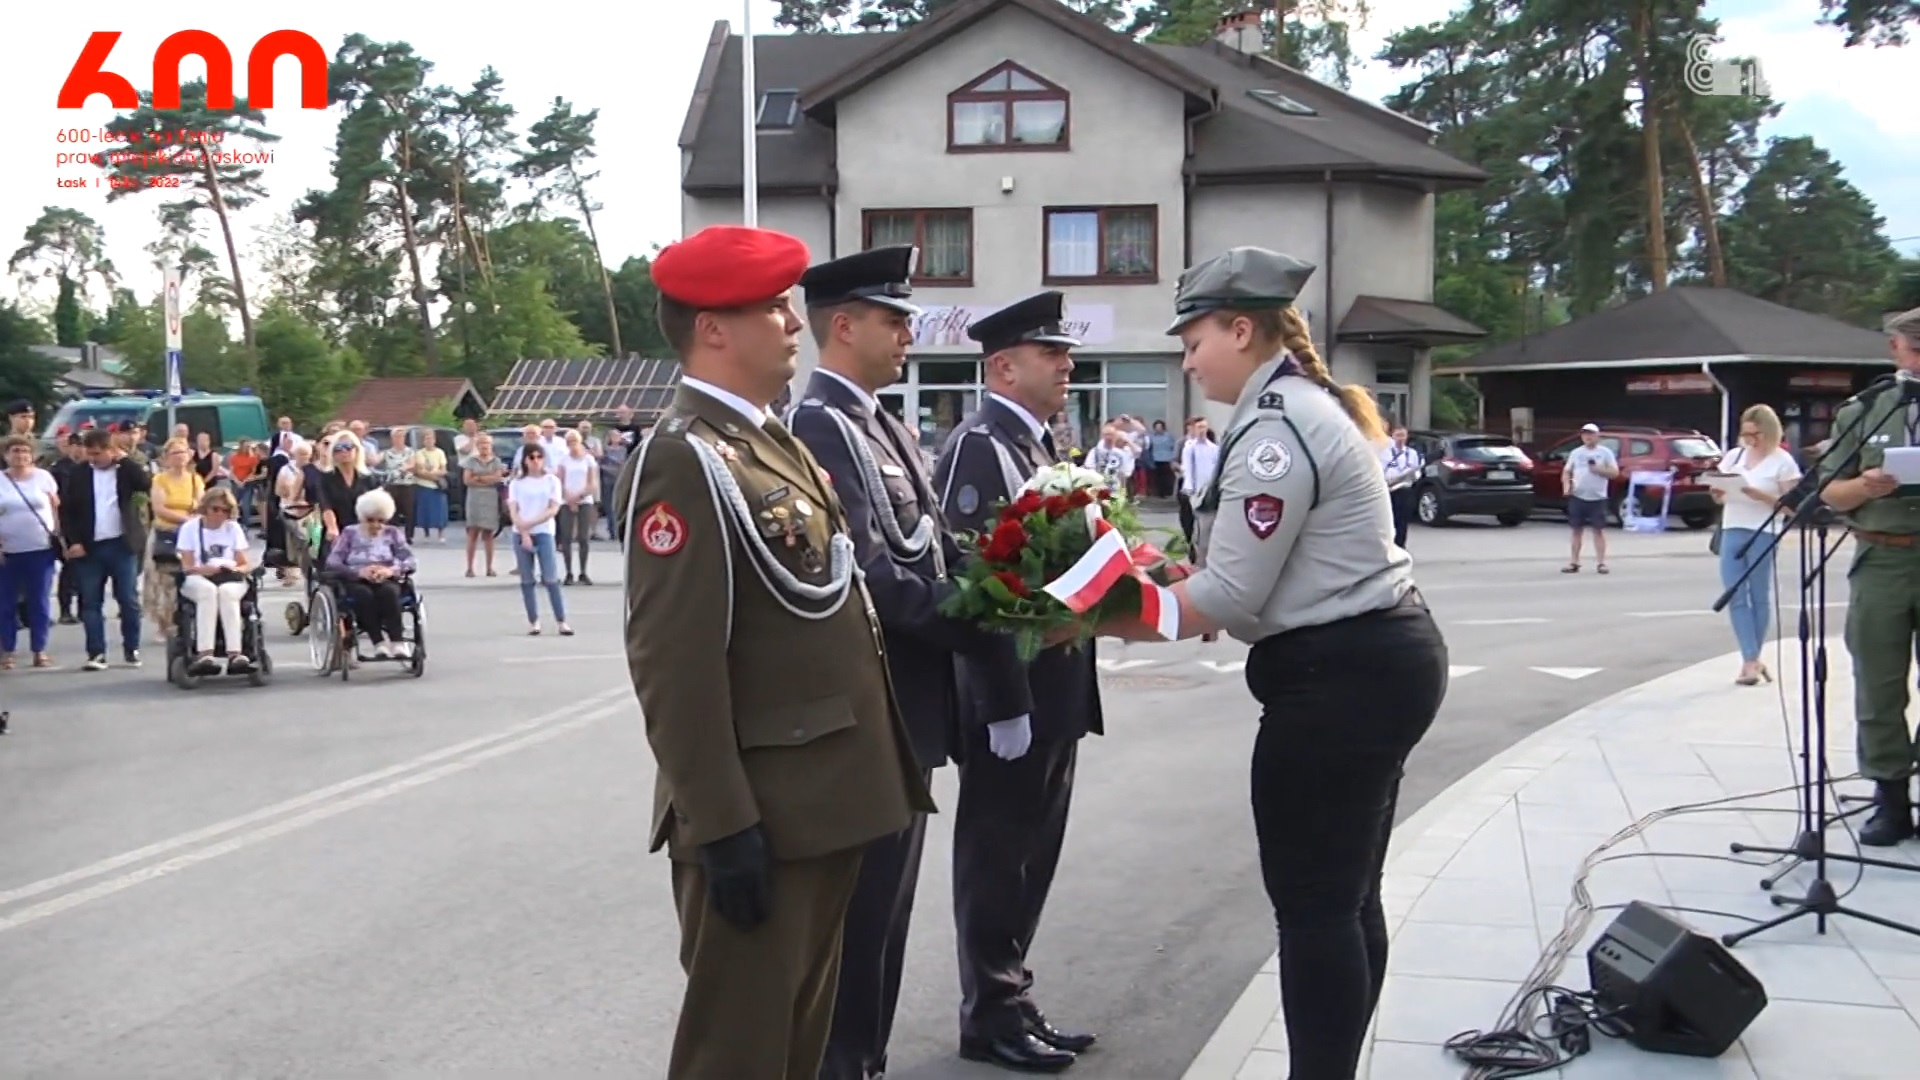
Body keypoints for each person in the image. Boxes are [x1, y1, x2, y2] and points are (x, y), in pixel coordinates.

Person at [1099, 247, 1448, 1080]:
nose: (1186, 361)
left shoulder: (1274, 430)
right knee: (1347, 896)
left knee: (1315, 906)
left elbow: (1234, 599)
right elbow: (1249, 571)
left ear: (1242, 328)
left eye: (1193, 342)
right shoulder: (1293, 407)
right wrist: (1162, 577)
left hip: (1340, 680)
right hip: (1375, 660)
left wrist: (1097, 618)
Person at [611, 225, 931, 1080]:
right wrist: (720, 823)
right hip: (764, 815)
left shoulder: (768, 440)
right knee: (739, 1053)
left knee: (795, 1048)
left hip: (822, 802)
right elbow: (671, 662)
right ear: (714, 327)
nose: (795, 322)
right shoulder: (685, 459)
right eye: (773, 307)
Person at [787, 245, 1032, 1080]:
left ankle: (863, 1061)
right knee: (860, 929)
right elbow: (874, 579)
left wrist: (1008, 600)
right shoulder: (820, 424)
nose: (908, 335)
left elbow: (934, 550)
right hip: (872, 712)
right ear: (844, 325)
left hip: (909, 714)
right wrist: (983, 621)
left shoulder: (880, 419)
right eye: (894, 320)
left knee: (885, 921)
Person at [933, 289, 1103, 1073]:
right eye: (1051, 353)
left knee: (1033, 856)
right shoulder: (983, 446)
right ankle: (991, 1013)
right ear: (1003, 367)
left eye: (1065, 352)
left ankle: (1014, 998)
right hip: (1016, 698)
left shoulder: (1040, 444)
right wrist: (1004, 702)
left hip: (1055, 689)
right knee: (999, 857)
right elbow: (977, 580)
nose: (1067, 365)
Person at [1820, 306, 1920, 846]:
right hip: (1882, 557)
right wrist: (1867, 486)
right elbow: (1831, 490)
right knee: (1879, 684)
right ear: (1894, 352)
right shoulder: (1866, 410)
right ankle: (1890, 798)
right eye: (1916, 351)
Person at [1713, 404, 1800, 687]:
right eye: (1746, 433)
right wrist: (1717, 490)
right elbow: (1720, 496)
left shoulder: (1782, 461)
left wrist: (1761, 495)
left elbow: (1794, 508)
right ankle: (1751, 658)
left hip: (1764, 530)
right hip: (1732, 526)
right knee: (1734, 593)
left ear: (1769, 432)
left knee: (1758, 593)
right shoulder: (1734, 456)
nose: (1750, 439)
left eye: (1755, 434)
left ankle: (1752, 660)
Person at [57, 428, 149, 671]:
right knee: (90, 601)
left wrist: (126, 461)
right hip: (90, 547)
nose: (93, 459)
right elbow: (67, 511)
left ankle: (131, 648)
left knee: (128, 600)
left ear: (111, 450)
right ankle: (96, 652)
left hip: (121, 544)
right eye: (89, 454)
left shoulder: (126, 471)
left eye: (98, 453)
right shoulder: (78, 474)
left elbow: (145, 484)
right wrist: (73, 541)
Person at [324, 487, 418, 659]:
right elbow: (333, 561)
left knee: (389, 593)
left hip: (386, 577)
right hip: (357, 579)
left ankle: (397, 642)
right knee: (363, 595)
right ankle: (378, 642)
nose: (376, 525)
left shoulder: (393, 533)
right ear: (362, 517)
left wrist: (390, 570)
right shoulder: (349, 533)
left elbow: (409, 560)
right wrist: (358, 572)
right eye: (370, 520)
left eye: (381, 520)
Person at [177, 487, 255, 674]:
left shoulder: (233, 528)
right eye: (216, 509)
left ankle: (235, 654)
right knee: (208, 592)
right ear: (205, 508)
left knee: (227, 593)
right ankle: (205, 653)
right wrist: (205, 570)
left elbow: (245, 564)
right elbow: (187, 566)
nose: (220, 514)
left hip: (229, 577)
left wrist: (233, 569)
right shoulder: (190, 528)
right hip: (197, 576)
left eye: (225, 510)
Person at [0, 434, 61, 669]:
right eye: (15, 451)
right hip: (8, 552)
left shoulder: (44, 478)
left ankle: (39, 649)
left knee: (39, 601)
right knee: (6, 603)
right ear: (6, 455)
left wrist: (57, 536)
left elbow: (55, 509)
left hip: (40, 549)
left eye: (25, 451)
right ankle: (8, 651)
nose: (20, 455)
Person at [506, 443, 571, 635]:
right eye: (531, 457)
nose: (535, 461)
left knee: (550, 578)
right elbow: (513, 510)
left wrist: (530, 523)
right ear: (525, 460)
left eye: (539, 457)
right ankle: (533, 621)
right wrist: (524, 531)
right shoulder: (517, 483)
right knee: (527, 580)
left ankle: (561, 620)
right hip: (521, 533)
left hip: (543, 532)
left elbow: (553, 508)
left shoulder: (551, 481)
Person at [146, 437, 207, 641]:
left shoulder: (194, 479)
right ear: (167, 458)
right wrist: (185, 519)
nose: (180, 457)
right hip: (166, 532)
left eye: (183, 452)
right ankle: (164, 625)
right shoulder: (160, 480)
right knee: (164, 581)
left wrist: (194, 520)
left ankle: (185, 622)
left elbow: (201, 503)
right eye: (175, 453)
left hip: (190, 535)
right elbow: (159, 508)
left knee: (189, 577)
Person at [1562, 423, 1618, 573]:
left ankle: (1601, 563)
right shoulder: (1576, 453)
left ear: (1597, 436)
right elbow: (1567, 471)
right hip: (1578, 496)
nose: (1587, 436)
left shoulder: (1605, 452)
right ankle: (1574, 562)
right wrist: (1566, 487)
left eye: (1591, 434)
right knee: (1576, 530)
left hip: (1598, 498)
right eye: (1584, 434)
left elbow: (1614, 473)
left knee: (1598, 530)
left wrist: (1598, 469)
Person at [553, 429, 599, 585]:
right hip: (566, 501)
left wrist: (579, 497)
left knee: (583, 538)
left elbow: (592, 483)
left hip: (585, 500)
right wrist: (569, 499)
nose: (572, 444)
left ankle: (583, 572)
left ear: (579, 442)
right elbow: (559, 481)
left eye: (574, 441)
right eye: (569, 442)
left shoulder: (588, 459)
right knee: (566, 537)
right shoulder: (563, 460)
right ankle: (569, 573)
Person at [318, 433, 378, 549]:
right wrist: (332, 527)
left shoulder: (368, 478)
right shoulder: (325, 477)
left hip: (363, 530)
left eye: (348, 447)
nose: (344, 452)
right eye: (338, 448)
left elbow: (376, 507)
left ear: (357, 450)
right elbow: (325, 505)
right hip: (337, 532)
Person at [462, 433, 506, 577]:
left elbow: (497, 478)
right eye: (481, 443)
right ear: (477, 445)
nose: (484, 446)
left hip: (490, 499)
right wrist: (487, 479)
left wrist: (479, 477)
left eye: (486, 443)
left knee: (488, 534)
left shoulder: (496, 461)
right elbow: (467, 480)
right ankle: (469, 567)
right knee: (473, 533)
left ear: (491, 445)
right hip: (474, 498)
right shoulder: (471, 461)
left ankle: (489, 567)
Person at [1178, 418, 1219, 550]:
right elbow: (1187, 468)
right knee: (1192, 517)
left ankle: (1204, 545)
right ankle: (1192, 543)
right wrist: (1189, 487)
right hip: (1194, 489)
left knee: (1206, 519)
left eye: (1204, 427)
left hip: (1208, 488)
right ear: (1194, 429)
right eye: (1199, 427)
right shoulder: (1189, 448)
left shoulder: (1214, 448)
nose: (1201, 430)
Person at [1381, 426, 1422, 547]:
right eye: (1397, 435)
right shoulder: (1385, 453)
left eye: (1403, 435)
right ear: (1392, 437)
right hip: (1390, 490)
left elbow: (1417, 471)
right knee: (1389, 520)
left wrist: (1414, 475)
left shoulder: (1412, 453)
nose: (1400, 439)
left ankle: (1400, 545)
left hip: (1405, 489)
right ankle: (1389, 545)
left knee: (1403, 521)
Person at [409, 428, 451, 542]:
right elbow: (419, 471)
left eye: (431, 438)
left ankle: (441, 534)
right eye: (426, 438)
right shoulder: (419, 453)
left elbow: (443, 470)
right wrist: (432, 476)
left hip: (437, 487)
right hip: (423, 485)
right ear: (423, 440)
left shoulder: (440, 452)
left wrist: (434, 474)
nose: (429, 440)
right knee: (425, 511)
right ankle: (426, 534)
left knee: (440, 511)